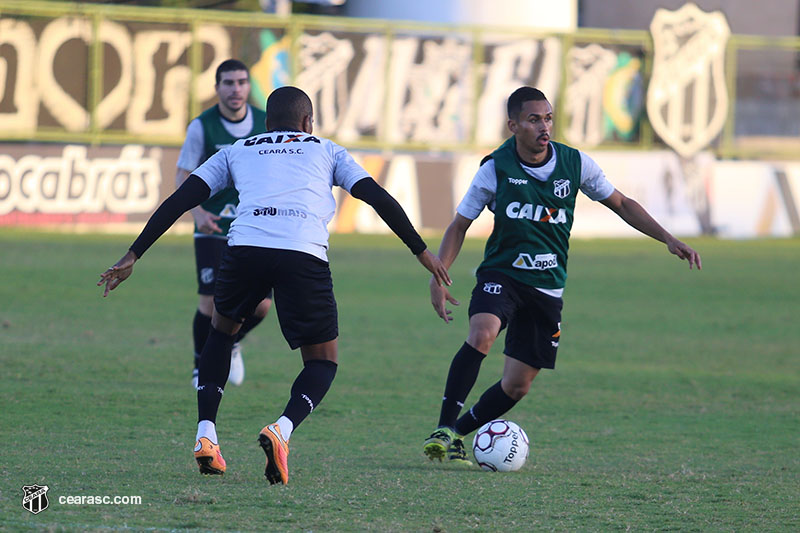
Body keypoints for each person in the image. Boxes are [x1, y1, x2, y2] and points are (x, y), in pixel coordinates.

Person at [98, 86, 451, 485]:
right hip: (302, 253)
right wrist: (422, 253)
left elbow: (180, 199)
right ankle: (281, 430)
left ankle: (206, 435)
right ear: (308, 123)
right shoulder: (327, 149)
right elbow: (377, 197)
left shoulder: (239, 149)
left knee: (221, 333)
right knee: (322, 362)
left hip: (245, 248)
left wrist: (134, 254)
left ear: (266, 123)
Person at [422, 87, 702, 465]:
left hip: (547, 287)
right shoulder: (495, 168)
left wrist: (667, 238)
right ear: (513, 125)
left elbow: (620, 203)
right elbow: (459, 225)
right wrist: (439, 274)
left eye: (549, 118)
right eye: (535, 119)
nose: (545, 127)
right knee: (483, 332)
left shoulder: (575, 164)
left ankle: (457, 432)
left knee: (517, 385)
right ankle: (442, 428)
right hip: (502, 274)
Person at [176, 58, 272, 388]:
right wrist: (198, 212)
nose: (236, 89)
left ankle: (230, 343)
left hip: (254, 227)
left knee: (261, 306)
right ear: (216, 87)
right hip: (213, 227)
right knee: (210, 302)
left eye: (242, 82)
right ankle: (200, 363)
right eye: (228, 83)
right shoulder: (201, 126)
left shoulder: (265, 122)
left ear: (248, 86)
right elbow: (184, 174)